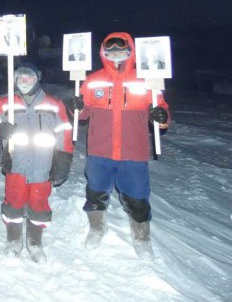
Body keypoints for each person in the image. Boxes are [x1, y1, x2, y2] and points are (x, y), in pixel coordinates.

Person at [68, 32, 170, 260]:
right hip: (99, 150)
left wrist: (161, 115)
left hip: (132, 151)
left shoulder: (145, 79)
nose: (115, 54)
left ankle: (141, 237)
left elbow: (161, 113)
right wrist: (76, 107)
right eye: (110, 50)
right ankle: (97, 228)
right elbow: (82, 115)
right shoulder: (93, 80)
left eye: (120, 49)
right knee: (95, 193)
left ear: (130, 51)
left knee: (137, 197)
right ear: (103, 53)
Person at [0, 62, 73, 263]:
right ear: (15, 80)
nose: (25, 82)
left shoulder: (53, 104)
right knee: (13, 204)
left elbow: (65, 134)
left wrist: (63, 161)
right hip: (15, 165)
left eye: (29, 78)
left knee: (39, 205)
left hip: (42, 168)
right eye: (21, 78)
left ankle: (34, 243)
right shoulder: (7, 101)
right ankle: (14, 241)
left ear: (37, 79)